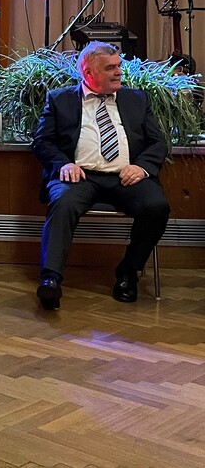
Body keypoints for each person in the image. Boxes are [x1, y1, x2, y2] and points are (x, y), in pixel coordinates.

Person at [32, 41, 170, 309]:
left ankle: (128, 272)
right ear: (88, 72)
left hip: (126, 178)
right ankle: (50, 280)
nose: (118, 72)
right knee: (62, 202)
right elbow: (42, 142)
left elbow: (158, 143)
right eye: (110, 68)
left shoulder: (136, 99)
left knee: (156, 206)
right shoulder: (60, 99)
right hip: (80, 177)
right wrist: (63, 164)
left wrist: (141, 167)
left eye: (119, 66)